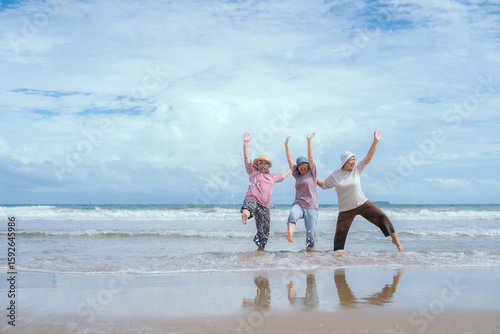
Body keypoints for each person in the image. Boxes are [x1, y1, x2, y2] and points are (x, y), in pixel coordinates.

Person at [317, 131, 404, 252]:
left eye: (354, 159)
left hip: (362, 204)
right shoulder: (335, 175)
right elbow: (323, 184)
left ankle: (396, 241)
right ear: (344, 162)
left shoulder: (357, 169)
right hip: (345, 210)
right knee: (339, 239)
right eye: (350, 160)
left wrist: (375, 141)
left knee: (382, 217)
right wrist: (311, 175)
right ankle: (337, 262)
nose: (353, 162)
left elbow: (369, 156)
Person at [241, 132, 292, 251]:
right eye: (260, 163)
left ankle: (260, 251)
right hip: (253, 199)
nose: (263, 165)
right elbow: (246, 157)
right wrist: (246, 143)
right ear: (257, 165)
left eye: (265, 163)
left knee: (264, 232)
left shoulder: (272, 176)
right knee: (249, 205)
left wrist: (291, 168)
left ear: (268, 166)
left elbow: (283, 176)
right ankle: (245, 214)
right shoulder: (252, 171)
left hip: (265, 206)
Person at [284, 133, 319, 252]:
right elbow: (290, 160)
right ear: (297, 168)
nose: (302, 167)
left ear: (308, 166)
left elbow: (311, 158)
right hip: (299, 204)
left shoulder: (312, 173)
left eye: (304, 164)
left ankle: (309, 256)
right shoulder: (297, 176)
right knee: (293, 215)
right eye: (300, 165)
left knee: (311, 236)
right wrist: (286, 145)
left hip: (311, 207)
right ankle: (290, 233)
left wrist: (309, 141)